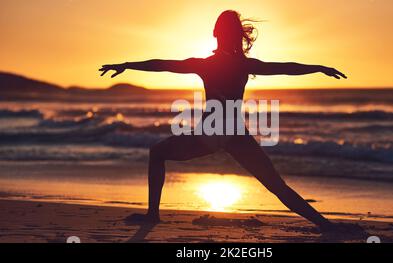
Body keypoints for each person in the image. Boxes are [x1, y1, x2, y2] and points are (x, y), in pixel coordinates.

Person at [99, 10, 347, 231]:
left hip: (208, 132)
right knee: (276, 185)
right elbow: (284, 67)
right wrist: (318, 67)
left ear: (216, 33)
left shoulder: (207, 65)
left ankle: (153, 215)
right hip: (234, 133)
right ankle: (325, 225)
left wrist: (127, 65)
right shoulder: (245, 65)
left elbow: (164, 65)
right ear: (238, 35)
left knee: (157, 153)